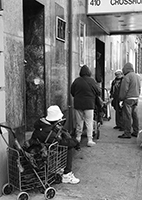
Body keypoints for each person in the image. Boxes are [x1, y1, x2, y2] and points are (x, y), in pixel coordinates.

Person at [26, 105, 80, 184]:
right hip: (42, 151)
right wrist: (75, 142)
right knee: (68, 148)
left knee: (66, 144)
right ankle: (67, 174)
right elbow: (60, 142)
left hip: (40, 147)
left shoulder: (42, 125)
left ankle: (61, 168)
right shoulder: (48, 131)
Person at [71, 65, 101, 147]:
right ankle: (89, 140)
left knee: (79, 122)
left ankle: (78, 138)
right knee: (89, 122)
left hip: (78, 104)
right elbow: (98, 92)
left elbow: (72, 91)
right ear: (89, 72)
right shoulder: (92, 81)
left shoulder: (76, 81)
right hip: (89, 104)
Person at [118, 62, 141, 139]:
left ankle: (127, 133)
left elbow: (124, 89)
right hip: (136, 98)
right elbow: (139, 88)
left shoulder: (127, 77)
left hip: (128, 99)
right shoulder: (137, 76)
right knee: (135, 115)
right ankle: (136, 131)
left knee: (127, 116)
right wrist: (137, 95)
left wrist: (121, 98)